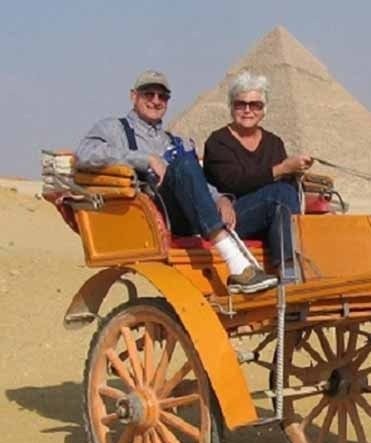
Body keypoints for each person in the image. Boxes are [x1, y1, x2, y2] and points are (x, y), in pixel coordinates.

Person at [75, 70, 278, 294]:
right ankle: (236, 262)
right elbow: (86, 153)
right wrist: (146, 159)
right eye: (148, 94)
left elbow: (196, 180)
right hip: (154, 214)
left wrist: (221, 199)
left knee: (276, 194)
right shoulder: (113, 128)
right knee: (183, 163)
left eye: (162, 96)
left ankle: (290, 273)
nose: (155, 100)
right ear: (134, 96)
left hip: (191, 213)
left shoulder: (177, 140)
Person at [203, 70, 312, 282]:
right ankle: (290, 274)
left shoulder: (274, 142)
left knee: (285, 196)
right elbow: (232, 182)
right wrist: (280, 169)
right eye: (240, 104)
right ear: (231, 107)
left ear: (264, 110)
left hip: (271, 216)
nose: (247, 110)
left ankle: (296, 268)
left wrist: (294, 171)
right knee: (279, 194)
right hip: (231, 217)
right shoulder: (218, 142)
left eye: (255, 105)